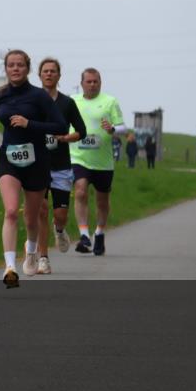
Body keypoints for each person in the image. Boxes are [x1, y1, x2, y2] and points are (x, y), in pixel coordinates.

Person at [0, 50, 67, 288]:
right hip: (9, 158)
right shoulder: (0, 96)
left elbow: (60, 124)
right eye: (11, 65)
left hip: (37, 161)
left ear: (27, 68)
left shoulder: (39, 96)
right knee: (11, 211)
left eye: (20, 65)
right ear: (6, 69)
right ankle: (9, 268)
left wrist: (29, 123)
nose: (15, 69)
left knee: (31, 218)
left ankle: (31, 251)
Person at [34, 57, 87, 275]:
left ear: (59, 75)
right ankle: (43, 259)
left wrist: (66, 138)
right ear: (39, 75)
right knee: (41, 211)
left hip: (61, 165)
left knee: (59, 214)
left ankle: (60, 229)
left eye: (53, 71)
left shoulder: (67, 103)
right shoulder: (32, 101)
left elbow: (81, 131)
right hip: (37, 165)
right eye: (45, 71)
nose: (49, 74)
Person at [69, 68, 126, 257]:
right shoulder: (73, 101)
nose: (92, 85)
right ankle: (84, 234)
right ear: (82, 83)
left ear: (100, 83)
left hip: (103, 161)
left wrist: (112, 129)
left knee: (102, 201)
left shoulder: (110, 101)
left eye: (96, 81)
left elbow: (123, 127)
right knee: (80, 190)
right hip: (79, 157)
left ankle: (100, 232)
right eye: (89, 81)